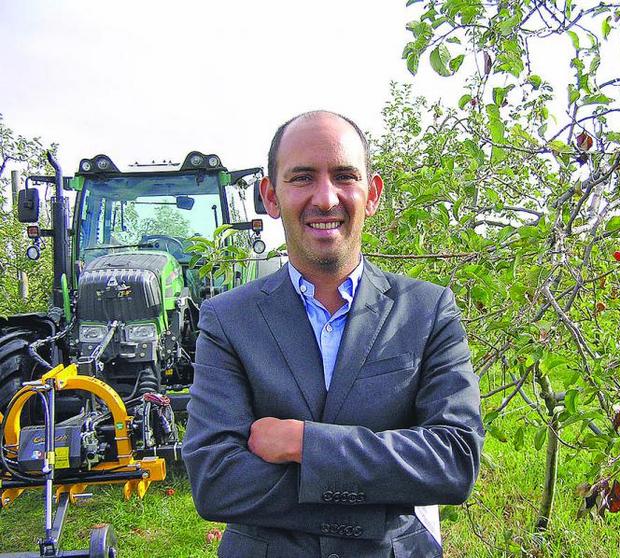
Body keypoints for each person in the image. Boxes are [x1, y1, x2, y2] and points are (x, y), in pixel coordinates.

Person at [183, 111, 484, 557]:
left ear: (373, 193)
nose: (326, 199)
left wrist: (303, 443)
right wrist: (382, 494)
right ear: (270, 196)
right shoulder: (227, 319)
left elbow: (453, 461)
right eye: (302, 178)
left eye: (344, 176)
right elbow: (216, 481)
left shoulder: (426, 310)